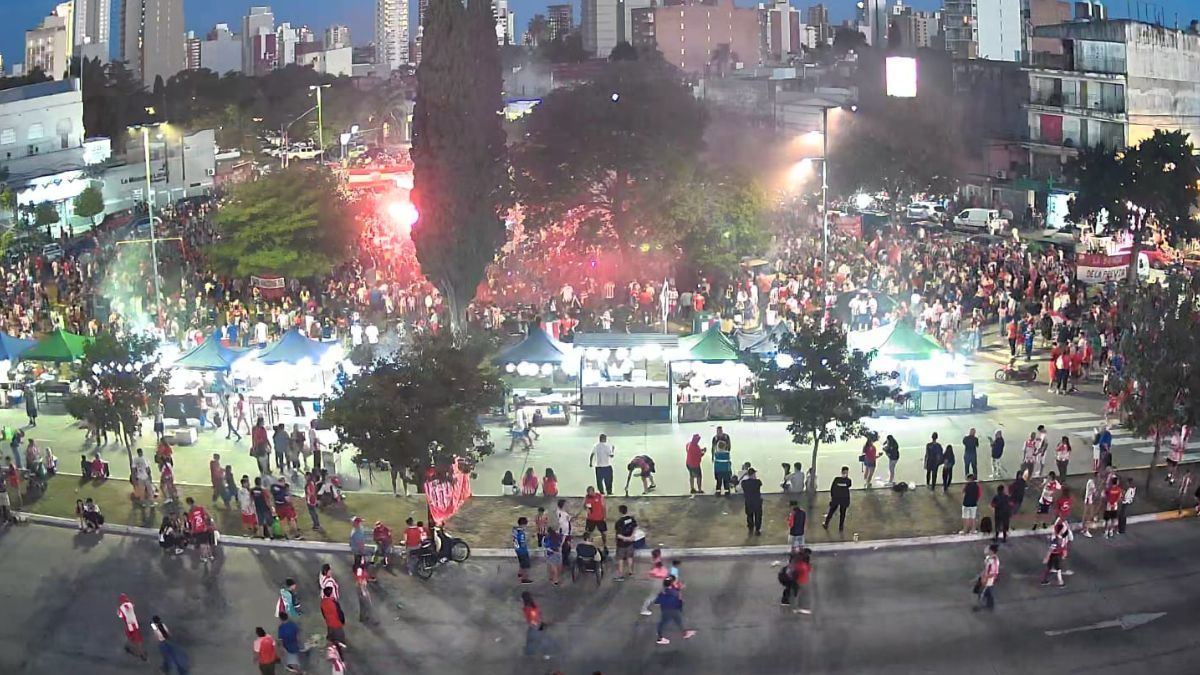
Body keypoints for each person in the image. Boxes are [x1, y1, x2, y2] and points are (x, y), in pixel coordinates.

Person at [653, 576, 697, 645]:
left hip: (665, 610)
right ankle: (660, 638)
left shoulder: (662, 592)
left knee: (664, 623)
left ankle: (661, 637)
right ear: (671, 583)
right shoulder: (675, 593)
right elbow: (679, 602)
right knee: (676, 622)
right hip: (673, 610)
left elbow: (656, 602)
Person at [521, 591, 554, 660]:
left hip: (535, 626)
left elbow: (533, 617)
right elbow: (538, 615)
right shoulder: (533, 606)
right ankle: (545, 655)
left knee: (534, 640)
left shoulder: (529, 607)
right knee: (540, 639)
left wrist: (535, 624)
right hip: (538, 625)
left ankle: (531, 657)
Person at [779, 548, 812, 614]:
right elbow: (795, 571)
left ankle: (787, 602)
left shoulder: (799, 560)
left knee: (793, 590)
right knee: (796, 590)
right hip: (790, 577)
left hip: (790, 576)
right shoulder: (799, 562)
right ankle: (797, 607)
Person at [118, 593, 147, 661]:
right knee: (138, 641)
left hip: (129, 626)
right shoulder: (130, 604)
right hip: (134, 625)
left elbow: (120, 615)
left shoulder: (121, 608)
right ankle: (140, 653)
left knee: (132, 639)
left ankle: (131, 649)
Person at [184, 497, 214, 563]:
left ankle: (204, 557)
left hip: (197, 530)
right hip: (204, 528)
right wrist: (209, 525)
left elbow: (192, 523)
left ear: (188, 503)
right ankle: (210, 555)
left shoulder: (190, 512)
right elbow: (207, 516)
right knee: (207, 543)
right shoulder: (200, 508)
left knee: (202, 544)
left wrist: (192, 531)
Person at [822, 466, 852, 532]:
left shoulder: (837, 480)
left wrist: (832, 497)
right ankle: (840, 527)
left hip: (837, 499)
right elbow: (848, 486)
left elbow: (832, 489)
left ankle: (827, 523)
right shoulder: (848, 480)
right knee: (841, 513)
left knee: (832, 512)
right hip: (843, 500)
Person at [614, 504, 638, 580]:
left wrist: (626, 538)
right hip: (630, 543)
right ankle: (630, 572)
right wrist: (632, 536)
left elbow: (618, 535)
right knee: (630, 557)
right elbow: (635, 527)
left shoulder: (619, 522)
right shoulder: (631, 519)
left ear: (620, 512)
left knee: (620, 559)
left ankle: (620, 575)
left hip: (621, 544)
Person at [974, 544, 1000, 611]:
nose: (986, 550)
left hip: (988, 579)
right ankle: (990, 605)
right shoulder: (990, 558)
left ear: (991, 551)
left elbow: (993, 572)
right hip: (987, 578)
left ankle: (981, 606)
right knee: (987, 591)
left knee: (982, 592)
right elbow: (987, 569)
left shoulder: (993, 560)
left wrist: (985, 578)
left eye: (988, 549)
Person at [583, 486, 608, 550]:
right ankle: (587, 545)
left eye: (589, 492)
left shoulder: (599, 496)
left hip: (600, 518)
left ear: (593, 491)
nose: (588, 494)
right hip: (590, 519)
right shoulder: (587, 497)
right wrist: (586, 508)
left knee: (603, 532)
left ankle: (604, 544)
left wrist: (604, 516)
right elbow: (584, 506)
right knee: (588, 532)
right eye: (588, 492)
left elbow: (604, 506)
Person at [741, 468, 764, 535]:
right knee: (758, 516)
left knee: (749, 515)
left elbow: (739, 482)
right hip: (757, 502)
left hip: (748, 502)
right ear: (753, 474)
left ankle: (750, 528)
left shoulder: (744, 483)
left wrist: (744, 475)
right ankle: (757, 529)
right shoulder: (758, 482)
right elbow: (760, 484)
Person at [513, 516, 533, 584]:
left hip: (517, 549)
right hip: (523, 551)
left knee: (521, 563)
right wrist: (528, 539)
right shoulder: (521, 533)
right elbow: (523, 543)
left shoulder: (515, 530)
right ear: (523, 524)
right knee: (526, 565)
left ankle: (520, 573)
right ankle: (524, 578)